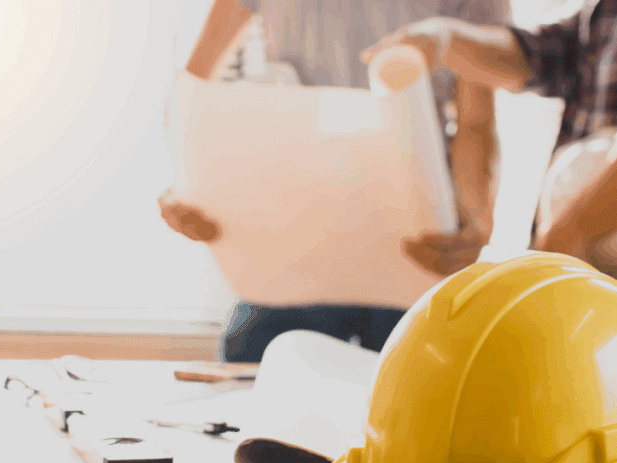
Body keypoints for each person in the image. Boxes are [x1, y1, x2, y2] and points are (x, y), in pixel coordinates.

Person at [160, 0, 508, 361]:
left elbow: (476, 119)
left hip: (411, 231)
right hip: (292, 232)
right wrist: (187, 187)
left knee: (418, 391)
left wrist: (475, 223)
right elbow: (194, 93)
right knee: (248, 381)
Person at [363, 0, 617, 276]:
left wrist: (575, 230)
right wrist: (445, 41)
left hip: (588, 266)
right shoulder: (603, 12)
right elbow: (547, 54)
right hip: (580, 267)